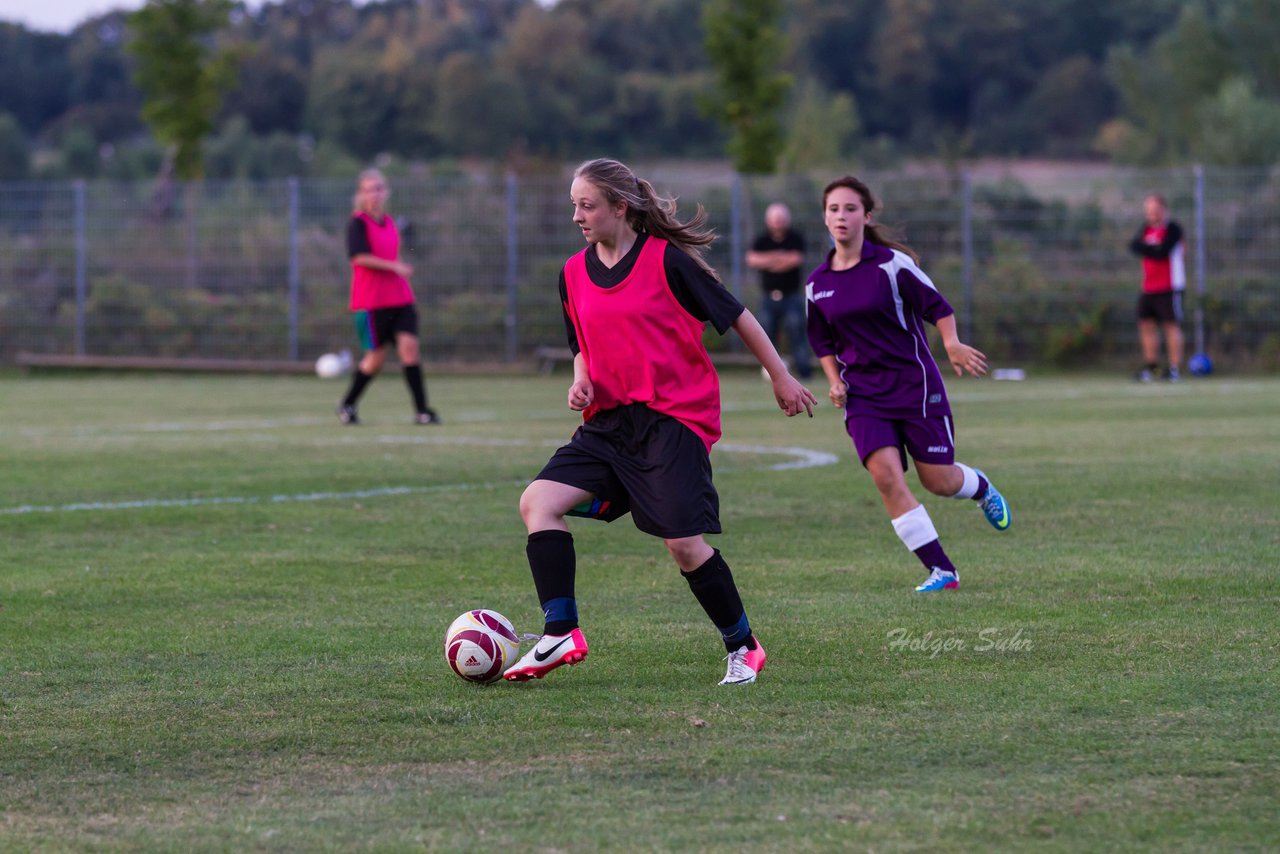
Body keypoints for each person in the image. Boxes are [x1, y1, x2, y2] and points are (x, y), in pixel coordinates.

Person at [504, 158, 817, 686]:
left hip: (673, 419)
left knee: (684, 546)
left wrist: (781, 376)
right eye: (574, 205)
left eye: (588, 205)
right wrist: (580, 378)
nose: (578, 216)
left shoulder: (669, 262)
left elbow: (738, 315)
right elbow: (580, 343)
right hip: (608, 424)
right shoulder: (573, 272)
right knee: (538, 502)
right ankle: (560, 632)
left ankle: (744, 646)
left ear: (620, 207)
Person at [805, 175, 1010, 594]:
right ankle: (942, 570)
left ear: (866, 215)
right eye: (833, 209)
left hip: (914, 388)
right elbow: (821, 341)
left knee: (938, 481)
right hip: (863, 396)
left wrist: (951, 344)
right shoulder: (817, 284)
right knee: (886, 478)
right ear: (824, 218)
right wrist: (833, 382)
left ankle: (981, 486)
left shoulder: (891, 266)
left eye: (849, 208)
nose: (841, 216)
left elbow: (939, 307)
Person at [336, 168, 441, 425]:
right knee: (375, 359)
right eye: (368, 189)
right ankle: (347, 405)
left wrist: (399, 270)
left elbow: (393, 256)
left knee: (410, 350)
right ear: (360, 194)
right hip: (370, 302)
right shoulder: (357, 223)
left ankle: (422, 411)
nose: (374, 194)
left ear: (386, 192)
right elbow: (359, 257)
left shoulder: (391, 222)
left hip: (400, 298)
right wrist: (395, 266)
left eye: (379, 189)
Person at [746, 202, 812, 379]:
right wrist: (781, 258)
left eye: (781, 219)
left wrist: (768, 260)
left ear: (787, 220)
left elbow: (795, 259)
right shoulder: (761, 240)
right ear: (768, 221)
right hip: (768, 297)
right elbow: (752, 260)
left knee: (796, 331)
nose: (778, 223)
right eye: (775, 220)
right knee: (766, 334)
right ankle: (772, 371)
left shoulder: (795, 238)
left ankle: (804, 371)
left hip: (792, 297)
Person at [1128, 193, 1186, 382]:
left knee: (1171, 325)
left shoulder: (1173, 228)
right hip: (1149, 287)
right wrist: (1150, 248)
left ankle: (1174, 369)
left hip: (1170, 286)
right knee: (1145, 325)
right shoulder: (1146, 229)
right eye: (1148, 210)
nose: (1151, 214)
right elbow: (1134, 246)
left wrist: (1149, 249)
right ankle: (1151, 367)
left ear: (1163, 210)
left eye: (1155, 210)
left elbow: (1163, 252)